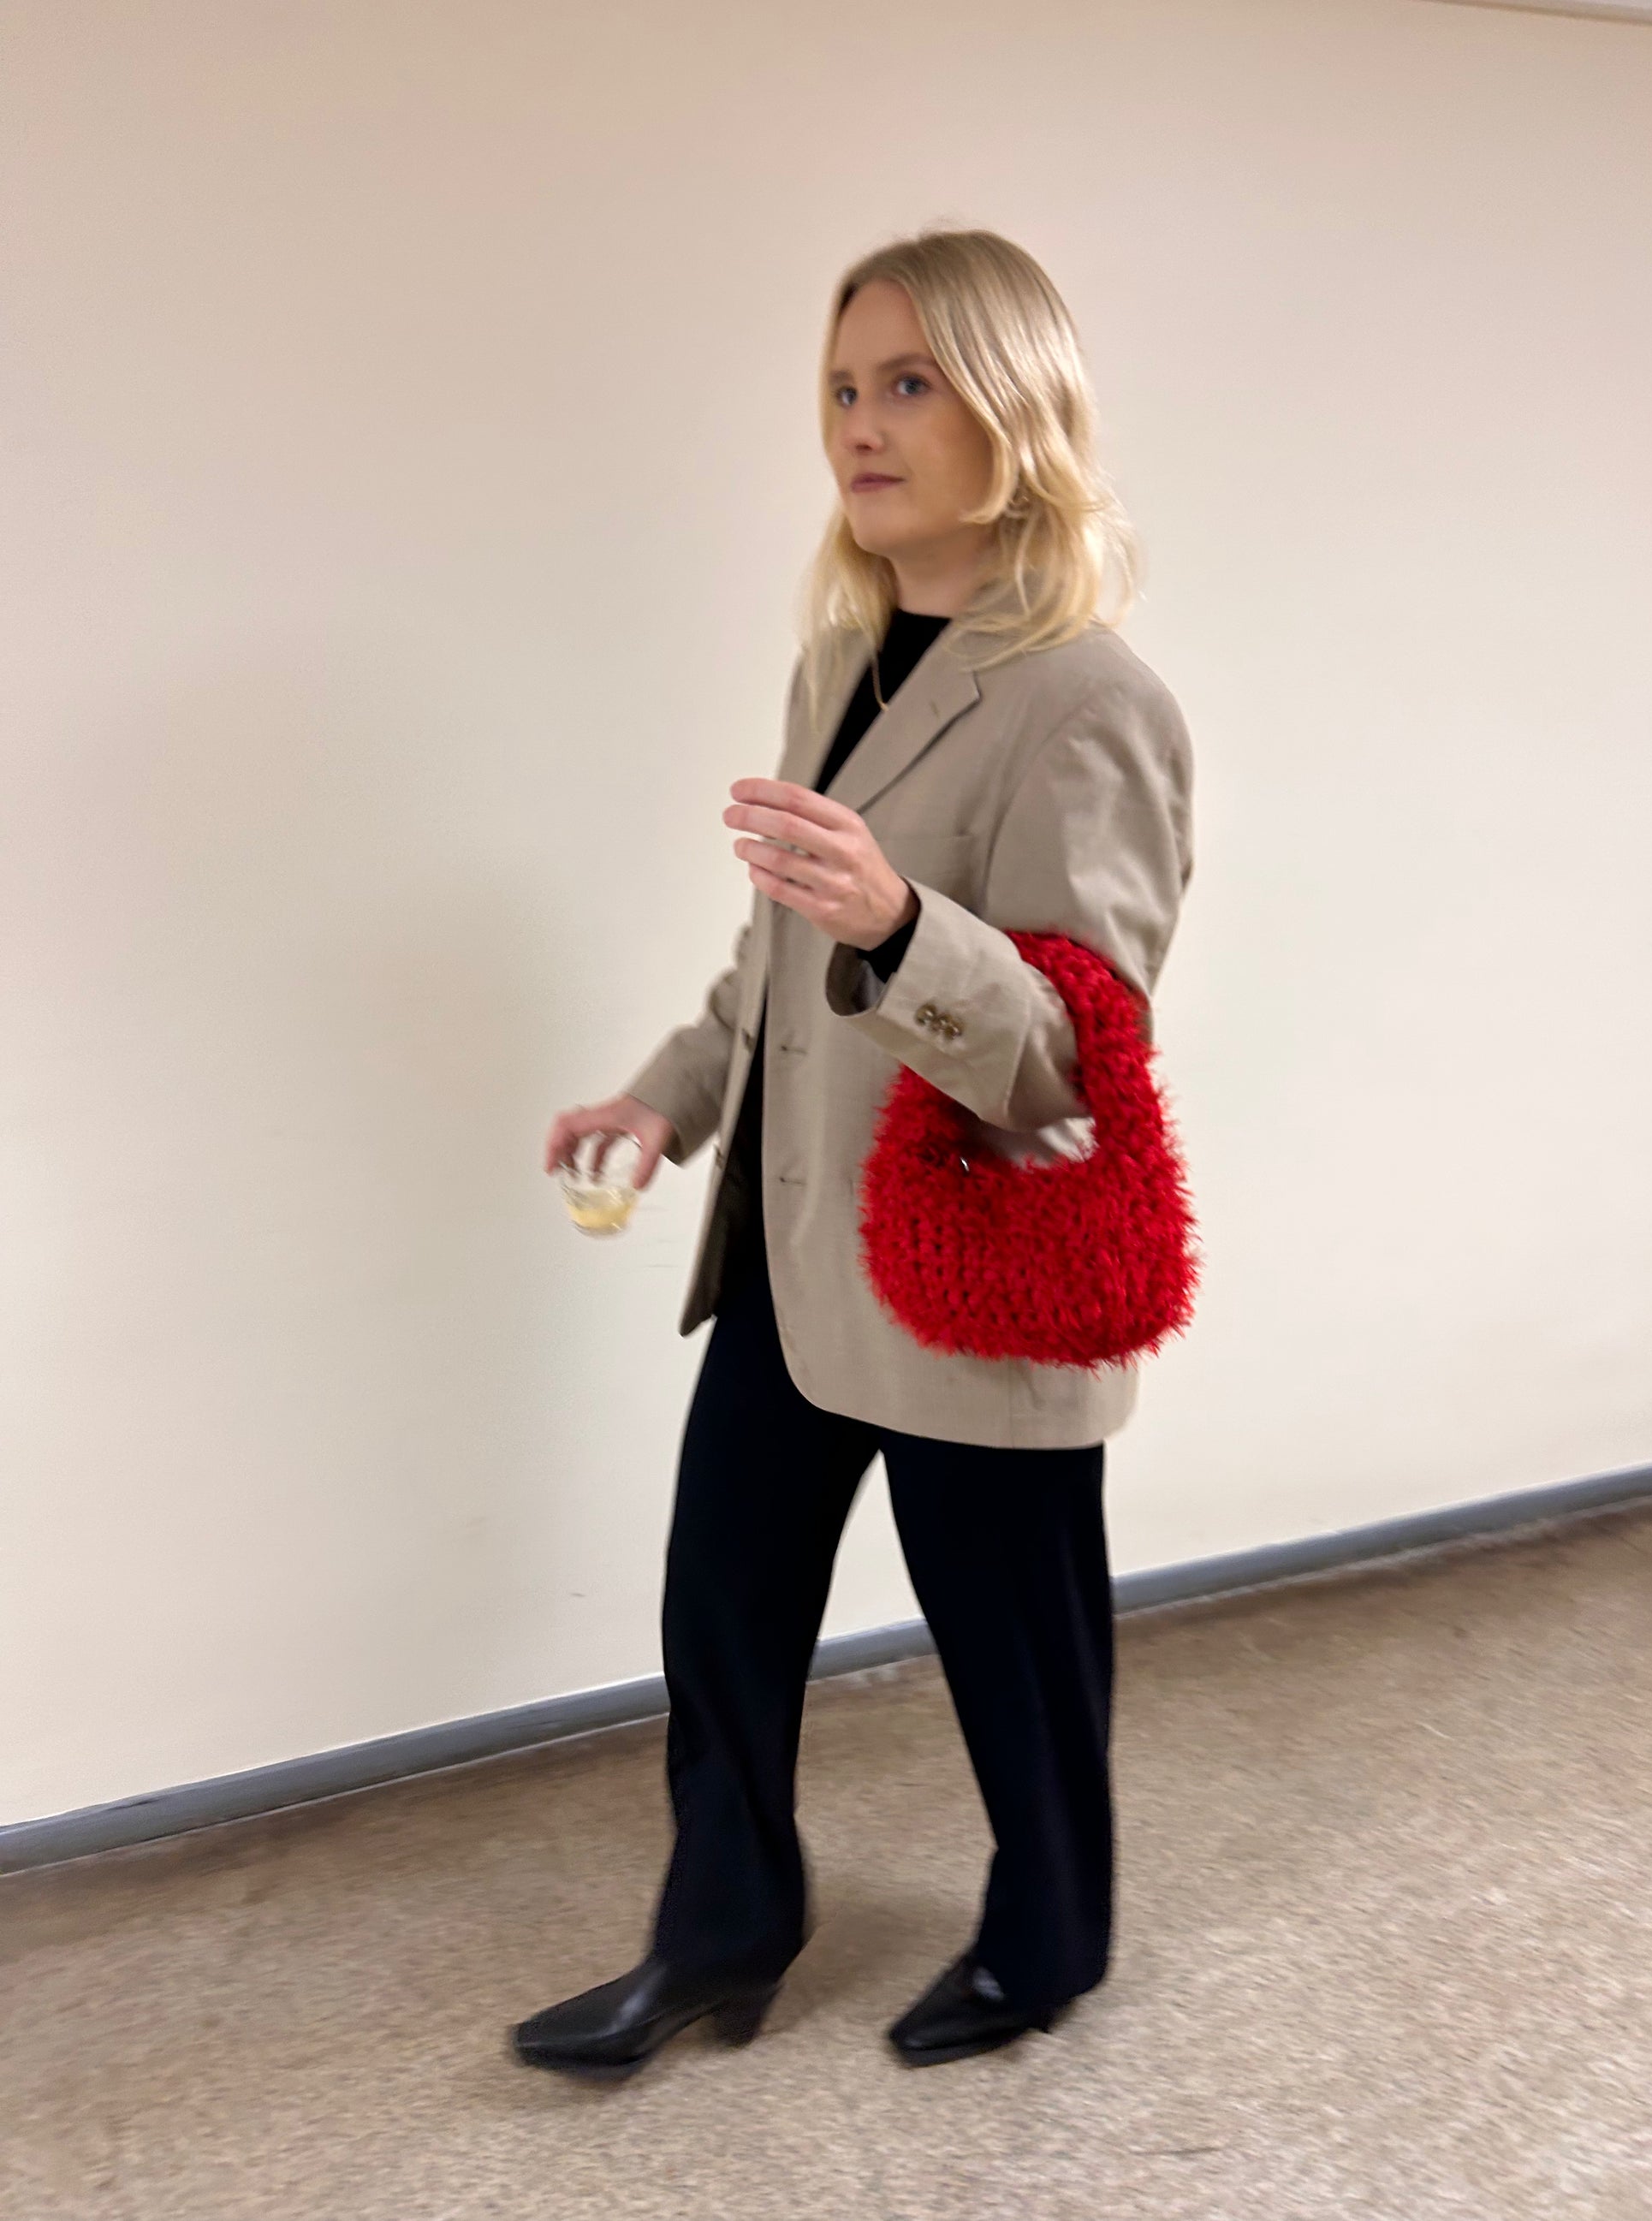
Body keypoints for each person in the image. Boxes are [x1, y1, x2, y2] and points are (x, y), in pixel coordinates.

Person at [514, 227, 1194, 2079]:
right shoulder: (840, 657)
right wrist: (667, 1095)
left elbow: (1073, 1051)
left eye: (910, 382)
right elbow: (771, 964)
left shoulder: (1090, 699)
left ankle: (1049, 1940)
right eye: (842, 385)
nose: (862, 426)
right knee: (719, 1602)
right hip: (800, 1254)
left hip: (973, 1260)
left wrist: (907, 926)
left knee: (1016, 1651)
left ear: (1016, 404)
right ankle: (721, 1932)